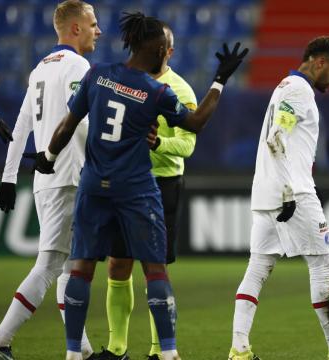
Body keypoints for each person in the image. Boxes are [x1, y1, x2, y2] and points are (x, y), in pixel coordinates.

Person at [28, 11, 247, 360]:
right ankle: (170, 352)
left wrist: (48, 158)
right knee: (155, 269)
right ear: (160, 49)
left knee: (81, 268)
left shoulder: (97, 75)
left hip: (94, 187)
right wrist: (220, 80)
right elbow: (195, 123)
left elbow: (67, 126)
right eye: (166, 49)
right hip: (136, 191)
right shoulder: (154, 91)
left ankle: (72, 354)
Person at [227, 36, 329, 360]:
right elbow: (275, 138)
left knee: (257, 268)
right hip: (292, 192)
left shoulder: (284, 86)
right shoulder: (298, 90)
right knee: (323, 266)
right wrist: (288, 192)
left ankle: (239, 349)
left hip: (265, 191)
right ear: (318, 62)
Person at [0, 1, 100, 359]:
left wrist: (8, 177)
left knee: (68, 264)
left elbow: (19, 126)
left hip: (45, 180)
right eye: (93, 24)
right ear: (75, 28)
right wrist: (98, 164)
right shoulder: (78, 65)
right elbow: (80, 121)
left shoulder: (38, 69)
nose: (98, 31)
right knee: (50, 265)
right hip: (68, 175)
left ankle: (81, 349)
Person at [96, 23, 199, 360]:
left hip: (161, 184)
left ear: (169, 50)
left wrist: (158, 143)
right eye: (160, 46)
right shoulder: (122, 81)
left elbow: (187, 145)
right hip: (124, 183)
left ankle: (160, 350)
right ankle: (117, 348)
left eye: (167, 47)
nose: (165, 51)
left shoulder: (180, 89)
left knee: (155, 268)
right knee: (117, 265)